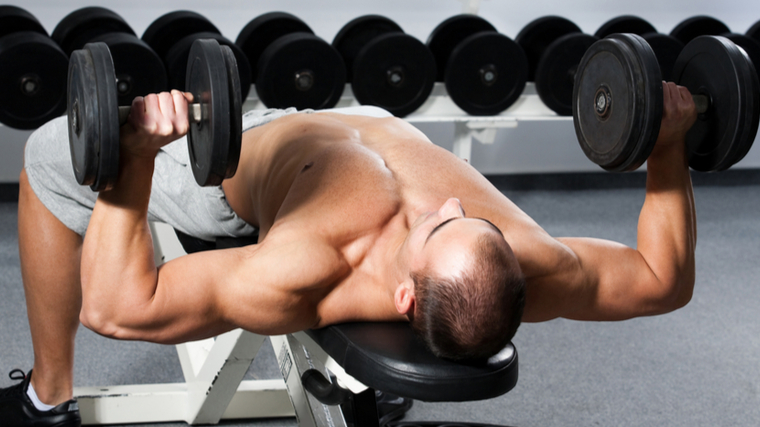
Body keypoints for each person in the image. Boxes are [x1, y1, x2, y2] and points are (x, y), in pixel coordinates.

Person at [0, 82, 697, 427]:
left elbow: (118, 307)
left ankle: (47, 396)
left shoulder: (304, 266)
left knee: (43, 156)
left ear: (403, 301)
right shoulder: (528, 258)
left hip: (237, 162)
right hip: (377, 126)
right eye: (467, 220)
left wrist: (137, 159)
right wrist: (667, 147)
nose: (447, 206)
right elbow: (662, 279)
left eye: (434, 227)